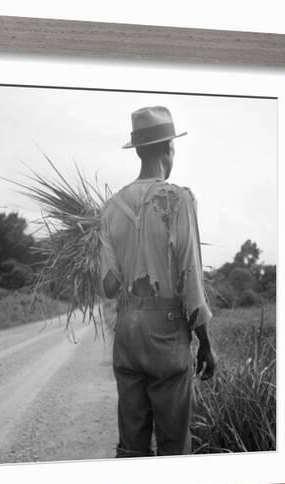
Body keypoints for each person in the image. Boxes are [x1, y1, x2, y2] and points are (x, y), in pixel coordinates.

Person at [98, 105, 217, 458]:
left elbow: (109, 287)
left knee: (131, 445)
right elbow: (191, 278)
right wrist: (206, 344)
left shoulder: (110, 207)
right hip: (166, 335)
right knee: (173, 445)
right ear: (169, 148)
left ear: (136, 150)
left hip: (127, 332)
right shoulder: (178, 199)